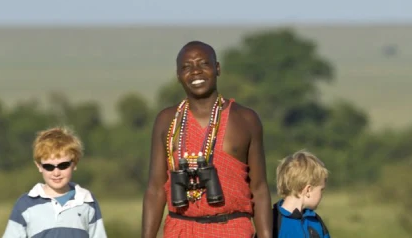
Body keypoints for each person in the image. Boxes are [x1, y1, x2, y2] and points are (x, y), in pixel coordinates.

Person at [141, 41, 273, 238]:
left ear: (217, 68)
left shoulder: (245, 119)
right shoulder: (167, 120)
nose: (195, 72)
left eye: (203, 64)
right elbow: (155, 190)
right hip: (180, 229)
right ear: (178, 75)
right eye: (186, 67)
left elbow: (260, 189)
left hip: (232, 229)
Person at [1, 126, 107, 238]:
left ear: (74, 163)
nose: (56, 173)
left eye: (63, 165)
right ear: (39, 166)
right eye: (48, 167)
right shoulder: (24, 204)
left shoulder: (87, 201)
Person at [271, 150, 331, 238]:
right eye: (321, 190)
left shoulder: (316, 221)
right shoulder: (272, 221)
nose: (322, 194)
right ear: (308, 190)